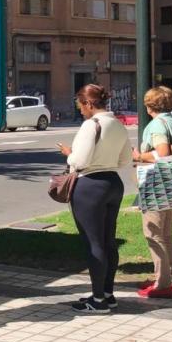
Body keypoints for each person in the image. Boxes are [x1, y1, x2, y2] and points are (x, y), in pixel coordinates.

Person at [57, 83, 132, 314]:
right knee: (108, 240)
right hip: (112, 181)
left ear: (89, 103)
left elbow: (79, 161)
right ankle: (107, 293)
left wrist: (69, 154)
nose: (80, 110)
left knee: (93, 242)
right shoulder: (118, 124)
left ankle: (97, 300)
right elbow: (125, 159)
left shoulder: (91, 125)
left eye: (81, 105)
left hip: (89, 185)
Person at [132, 86, 172, 300]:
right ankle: (166, 276)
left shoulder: (156, 125)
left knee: (153, 232)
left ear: (149, 106)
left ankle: (163, 284)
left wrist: (138, 156)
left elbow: (162, 153)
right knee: (166, 233)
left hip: (157, 183)